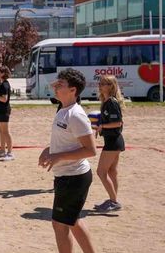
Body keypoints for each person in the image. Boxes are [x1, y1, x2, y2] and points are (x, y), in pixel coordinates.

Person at [38, 68, 97, 253]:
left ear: (73, 90)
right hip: (66, 176)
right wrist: (49, 150)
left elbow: (91, 150)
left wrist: (58, 156)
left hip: (74, 177)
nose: (56, 87)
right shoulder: (63, 110)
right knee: (72, 222)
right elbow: (66, 141)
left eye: (61, 84)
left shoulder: (76, 114)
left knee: (61, 224)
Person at [93, 75, 125, 212]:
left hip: (113, 141)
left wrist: (102, 127)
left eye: (104, 83)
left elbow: (118, 123)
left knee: (101, 172)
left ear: (111, 86)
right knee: (112, 172)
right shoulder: (106, 101)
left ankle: (113, 201)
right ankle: (113, 200)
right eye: (100, 82)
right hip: (113, 140)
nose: (100, 85)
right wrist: (99, 126)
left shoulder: (111, 102)